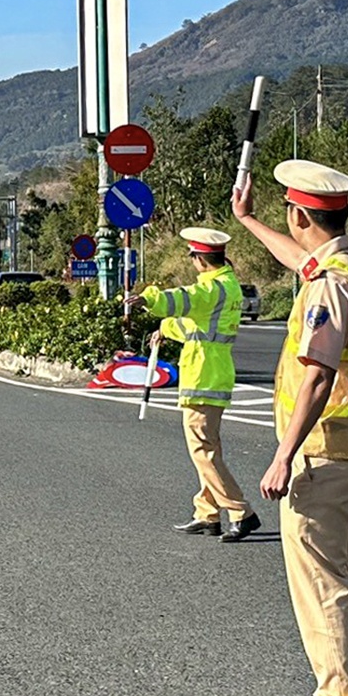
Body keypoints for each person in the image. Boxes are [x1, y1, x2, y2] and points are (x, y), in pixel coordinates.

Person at [231, 159, 348, 696]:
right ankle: (331, 689)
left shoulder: (330, 286)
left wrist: (280, 455)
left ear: (301, 215)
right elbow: (297, 259)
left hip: (321, 454)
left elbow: (318, 377)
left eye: (286, 216)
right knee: (332, 575)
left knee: (323, 585)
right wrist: (246, 220)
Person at [126, 227, 257, 542]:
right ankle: (207, 513)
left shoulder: (216, 288)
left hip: (205, 375)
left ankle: (241, 512)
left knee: (203, 450)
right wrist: (165, 328)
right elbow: (195, 322)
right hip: (211, 372)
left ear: (200, 259)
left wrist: (149, 299)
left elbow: (185, 299)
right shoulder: (226, 287)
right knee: (207, 448)